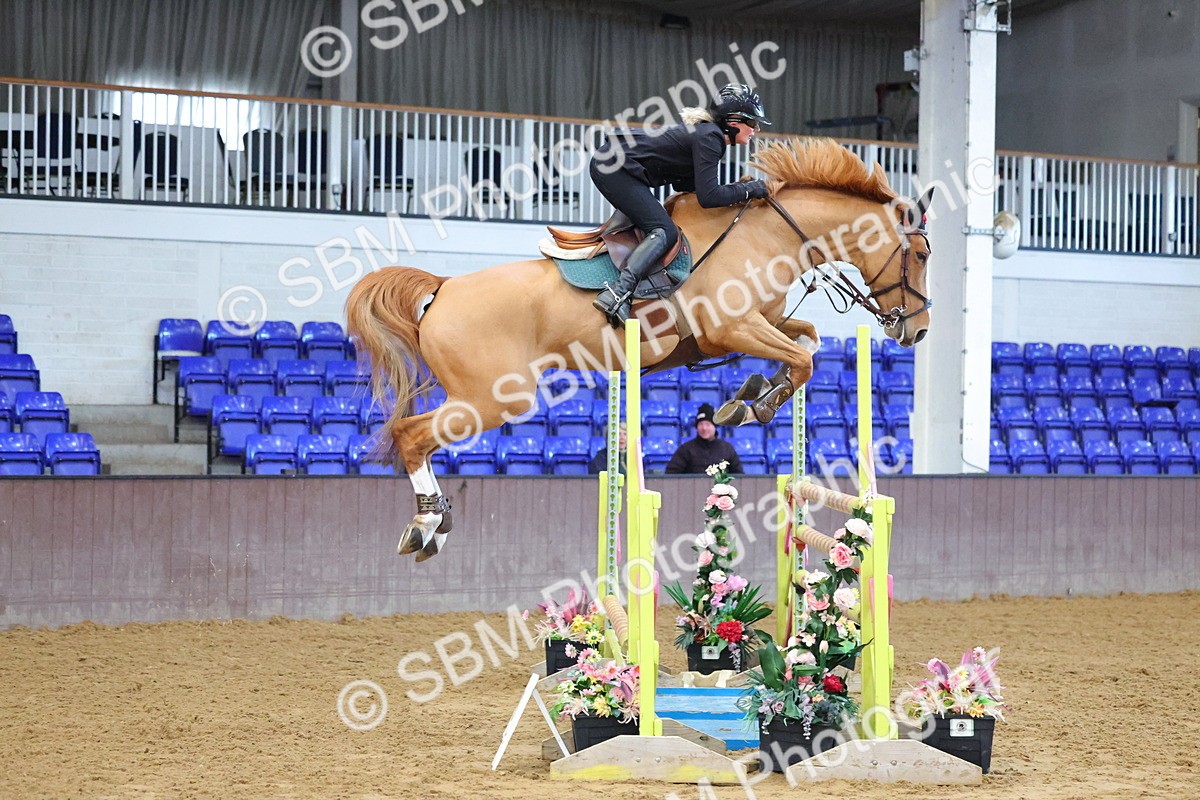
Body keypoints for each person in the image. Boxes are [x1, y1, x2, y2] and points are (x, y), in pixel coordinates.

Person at [589, 84, 773, 328]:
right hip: (614, 168)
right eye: (752, 122)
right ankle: (617, 293)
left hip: (616, 165)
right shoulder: (711, 138)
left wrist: (737, 191)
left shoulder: (708, 134)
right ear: (733, 121)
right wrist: (751, 189)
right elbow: (709, 197)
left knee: (659, 226)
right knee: (664, 231)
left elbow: (688, 185)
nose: (756, 129)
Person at [666, 403, 742, 475]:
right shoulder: (686, 449)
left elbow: (739, 475)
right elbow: (671, 474)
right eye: (701, 424)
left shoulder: (727, 449)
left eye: (708, 424)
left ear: (715, 426)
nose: (704, 428)